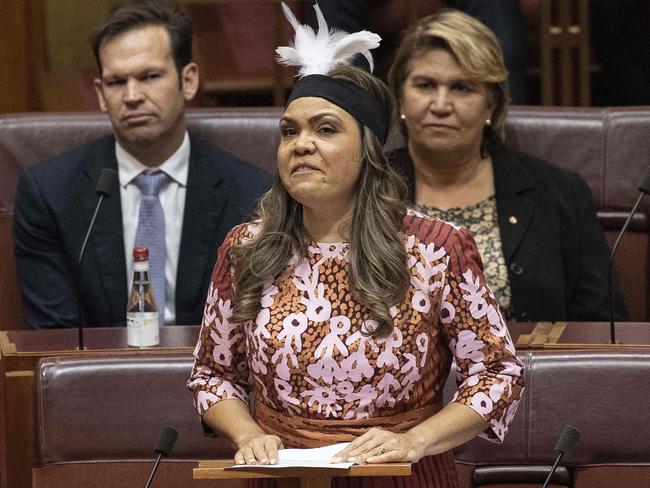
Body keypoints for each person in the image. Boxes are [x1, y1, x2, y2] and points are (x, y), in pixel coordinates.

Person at [188, 5, 524, 487]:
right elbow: (212, 375)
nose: (301, 144)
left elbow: (497, 373)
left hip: (401, 473)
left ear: (368, 150)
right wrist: (246, 434)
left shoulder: (435, 250)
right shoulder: (247, 248)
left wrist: (418, 439)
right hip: (283, 476)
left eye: (325, 129)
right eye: (290, 131)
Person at [13, 1, 269, 329]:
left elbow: (255, 329)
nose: (132, 96)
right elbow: (55, 338)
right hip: (96, 376)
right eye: (117, 82)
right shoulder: (50, 194)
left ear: (188, 80)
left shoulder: (252, 194)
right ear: (101, 94)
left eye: (149, 76)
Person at [387, 9, 622, 323]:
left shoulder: (559, 193)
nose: (440, 105)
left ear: (492, 104)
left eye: (462, 88)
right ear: (401, 99)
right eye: (426, 85)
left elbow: (603, 328)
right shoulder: (366, 189)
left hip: (531, 371)